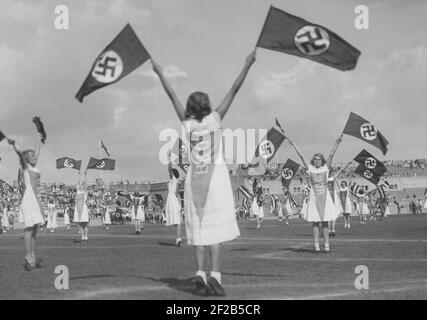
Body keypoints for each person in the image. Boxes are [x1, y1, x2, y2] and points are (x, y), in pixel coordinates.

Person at [151, 50, 255, 296]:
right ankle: (215, 276)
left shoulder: (186, 125)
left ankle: (199, 274)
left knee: (198, 233)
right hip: (216, 179)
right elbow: (234, 89)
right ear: (207, 105)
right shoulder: (216, 119)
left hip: (195, 179)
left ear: (189, 107)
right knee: (215, 232)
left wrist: (160, 73)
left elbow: (171, 94)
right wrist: (247, 64)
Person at [287, 138, 339, 253]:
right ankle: (316, 246)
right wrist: (294, 144)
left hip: (325, 197)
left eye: (318, 159)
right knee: (315, 222)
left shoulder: (326, 168)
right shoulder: (310, 168)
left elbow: (331, 154)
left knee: (325, 222)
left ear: (322, 161)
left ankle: (326, 246)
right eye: (315, 159)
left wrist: (337, 143)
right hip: (314, 197)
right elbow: (301, 156)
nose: (316, 161)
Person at [8, 135, 44, 271]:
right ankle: (28, 256)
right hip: (29, 198)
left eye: (34, 155)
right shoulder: (25, 167)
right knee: (29, 229)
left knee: (35, 229)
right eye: (31, 155)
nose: (34, 156)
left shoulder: (34, 166)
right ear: (27, 158)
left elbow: (36, 151)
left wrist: (39, 139)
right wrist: (14, 145)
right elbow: (20, 154)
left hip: (35, 198)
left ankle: (33, 254)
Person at [166, 154, 183, 246]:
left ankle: (179, 238)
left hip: (173, 201)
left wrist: (170, 159)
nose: (169, 174)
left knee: (177, 222)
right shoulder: (173, 182)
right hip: (173, 201)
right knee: (177, 222)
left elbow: (169, 168)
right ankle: (178, 238)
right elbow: (177, 194)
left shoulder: (174, 180)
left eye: (171, 173)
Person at [73, 171, 90, 243]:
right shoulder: (77, 192)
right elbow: (77, 182)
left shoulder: (84, 192)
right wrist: (78, 175)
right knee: (79, 224)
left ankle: (86, 236)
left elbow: (85, 183)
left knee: (85, 224)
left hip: (83, 208)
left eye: (81, 185)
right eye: (79, 185)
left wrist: (85, 175)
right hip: (77, 208)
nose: (80, 186)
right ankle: (82, 236)